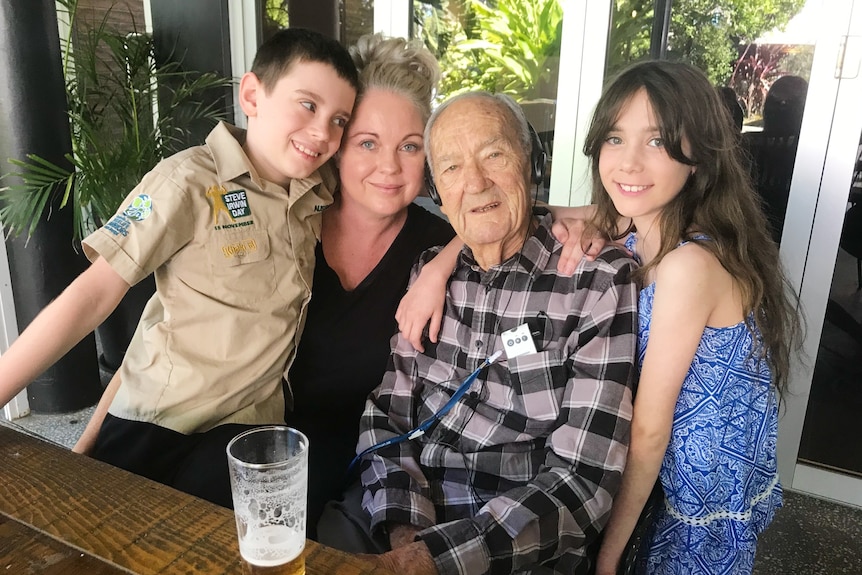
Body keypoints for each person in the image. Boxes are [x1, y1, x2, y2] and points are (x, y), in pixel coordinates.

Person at [0, 28, 360, 508]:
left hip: (245, 433)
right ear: (252, 95)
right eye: (308, 105)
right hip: (158, 420)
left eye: (340, 120)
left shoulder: (318, 192)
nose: (323, 134)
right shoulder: (186, 181)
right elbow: (95, 294)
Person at [319, 91, 639, 575]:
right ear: (438, 192)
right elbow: (387, 414)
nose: (475, 182)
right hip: (401, 521)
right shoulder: (431, 272)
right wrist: (406, 534)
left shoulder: (595, 280)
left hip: (519, 548)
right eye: (450, 168)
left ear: (530, 163)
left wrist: (433, 560)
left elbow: (585, 480)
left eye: (494, 155)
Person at [583, 61, 802, 575]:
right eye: (615, 138)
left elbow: (650, 431)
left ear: (698, 157)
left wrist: (607, 556)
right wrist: (442, 263)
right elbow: (545, 213)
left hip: (695, 498)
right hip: (686, 481)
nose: (629, 163)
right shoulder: (642, 227)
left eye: (657, 142)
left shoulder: (689, 265)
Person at [284, 33, 455, 537]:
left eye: (409, 146)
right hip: (251, 437)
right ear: (336, 148)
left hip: (362, 460)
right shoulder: (290, 218)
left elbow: (510, 218)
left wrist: (445, 261)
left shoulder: (437, 242)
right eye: (367, 143)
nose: (389, 166)